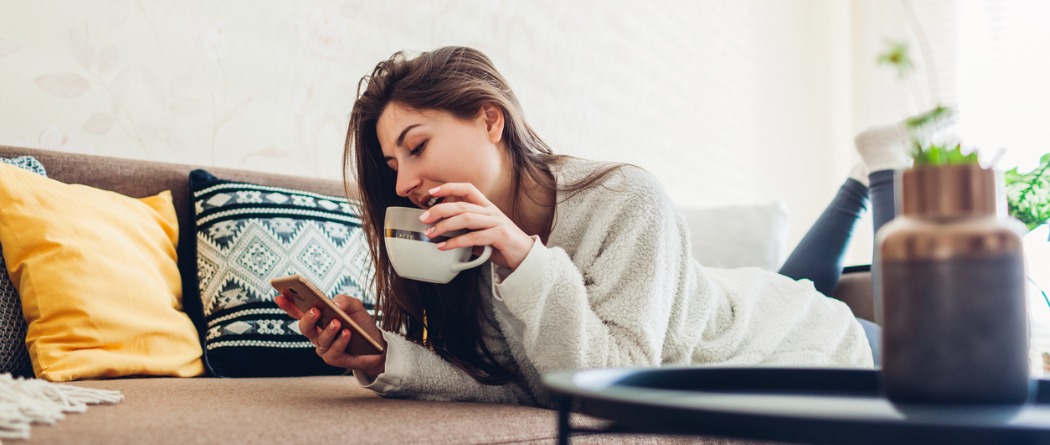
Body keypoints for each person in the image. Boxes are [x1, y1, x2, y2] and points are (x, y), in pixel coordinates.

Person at [274, 46, 916, 407]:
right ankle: (861, 177)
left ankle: (882, 170)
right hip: (728, 300)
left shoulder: (625, 196)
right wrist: (390, 358)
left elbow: (614, 382)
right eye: (391, 166)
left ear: (491, 121)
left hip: (799, 340)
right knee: (796, 281)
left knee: (925, 345)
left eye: (416, 147)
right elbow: (523, 383)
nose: (404, 182)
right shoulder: (462, 249)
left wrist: (523, 257)